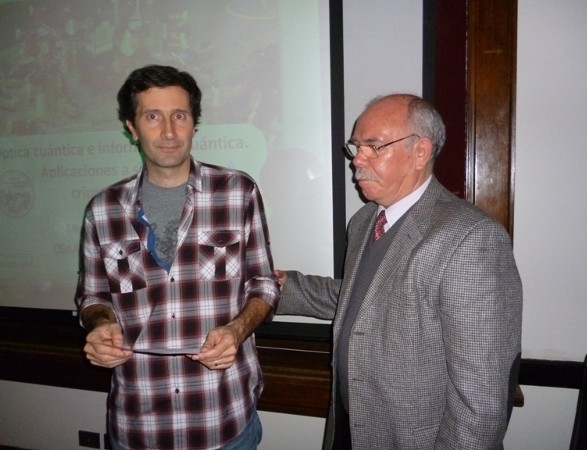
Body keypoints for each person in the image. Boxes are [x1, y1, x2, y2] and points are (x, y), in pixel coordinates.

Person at [275, 93, 522, 449]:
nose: (356, 160)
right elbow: (363, 299)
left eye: (374, 146)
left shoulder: (470, 238)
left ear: (420, 152)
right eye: (356, 146)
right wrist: (279, 286)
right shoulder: (364, 221)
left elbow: (480, 402)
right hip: (351, 428)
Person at [75, 64, 280, 450]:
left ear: (193, 124)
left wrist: (237, 330)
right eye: (153, 116)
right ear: (132, 128)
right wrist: (100, 325)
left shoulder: (238, 192)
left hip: (225, 421)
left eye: (179, 116)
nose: (168, 132)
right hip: (139, 427)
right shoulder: (102, 210)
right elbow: (93, 297)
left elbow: (264, 284)